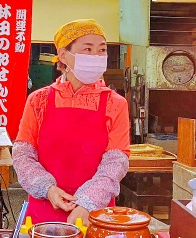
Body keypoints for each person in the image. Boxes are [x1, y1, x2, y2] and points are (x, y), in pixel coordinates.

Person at [13, 19, 130, 224]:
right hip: (45, 209)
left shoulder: (116, 103)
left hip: (95, 214)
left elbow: (116, 162)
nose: (96, 56)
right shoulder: (38, 101)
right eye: (87, 49)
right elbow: (23, 155)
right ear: (64, 55)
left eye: (102, 50)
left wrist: (87, 202)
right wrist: (47, 189)